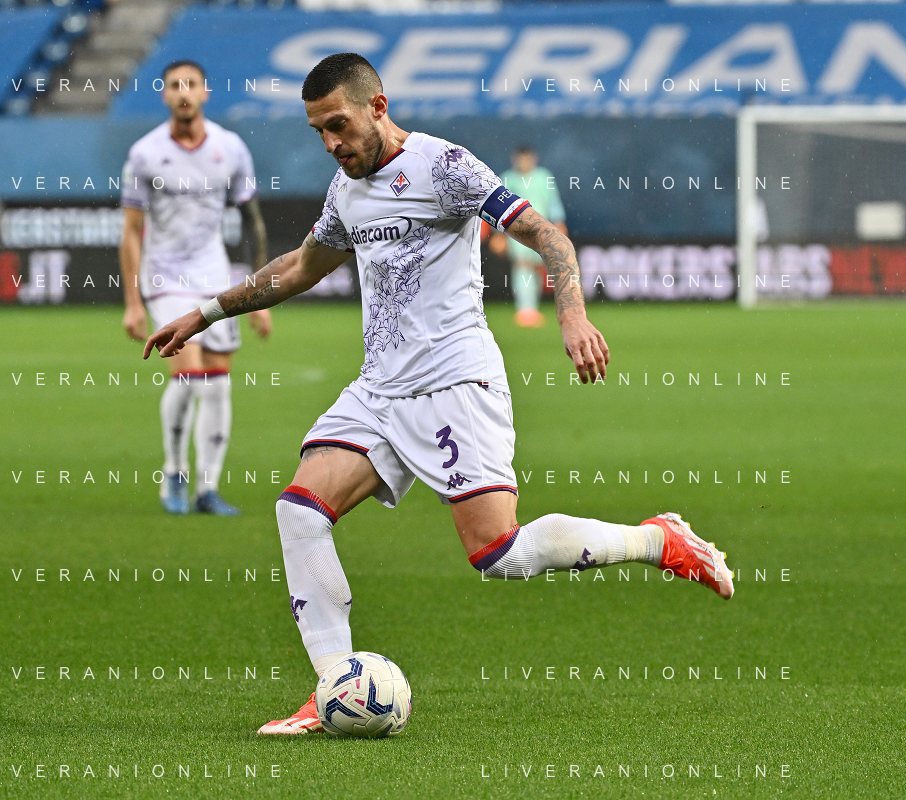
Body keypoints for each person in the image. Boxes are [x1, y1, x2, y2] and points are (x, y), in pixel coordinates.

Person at [143, 53, 733, 734]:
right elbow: (303, 266)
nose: (331, 143)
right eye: (318, 132)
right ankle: (335, 683)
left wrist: (571, 313)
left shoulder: (443, 166)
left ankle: (657, 541)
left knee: (499, 555)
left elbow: (547, 236)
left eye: (338, 125)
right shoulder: (346, 190)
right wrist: (206, 313)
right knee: (299, 512)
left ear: (377, 107)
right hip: (379, 389)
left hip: (455, 383)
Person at [120, 59, 272, 516]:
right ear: (164, 94)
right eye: (174, 85)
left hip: (214, 278)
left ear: (205, 92)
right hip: (165, 278)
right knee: (189, 378)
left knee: (218, 385)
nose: (183, 92)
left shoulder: (231, 147)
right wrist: (133, 302)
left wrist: (259, 296)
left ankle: (208, 489)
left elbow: (253, 222)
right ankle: (173, 471)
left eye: (191, 85)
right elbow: (131, 230)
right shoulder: (145, 154)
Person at [488, 145, 567, 327]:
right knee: (522, 265)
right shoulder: (508, 178)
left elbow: (553, 202)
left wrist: (559, 223)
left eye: (527, 158)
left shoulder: (544, 177)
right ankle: (525, 310)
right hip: (516, 230)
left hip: (542, 229)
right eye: (521, 159)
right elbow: (496, 207)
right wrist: (497, 234)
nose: (524, 162)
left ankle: (531, 308)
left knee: (535, 266)